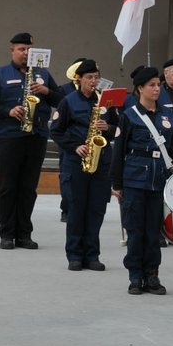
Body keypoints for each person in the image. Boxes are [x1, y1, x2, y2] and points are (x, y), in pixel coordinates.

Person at [110, 65, 173, 294]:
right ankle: (135, 277)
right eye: (152, 85)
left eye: (158, 85)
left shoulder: (166, 116)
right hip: (134, 180)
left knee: (153, 232)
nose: (157, 89)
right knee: (135, 231)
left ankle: (152, 276)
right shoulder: (129, 116)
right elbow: (119, 152)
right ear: (140, 89)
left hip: (159, 182)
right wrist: (116, 183)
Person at [0, 32, 59, 251]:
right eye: (21, 49)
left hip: (36, 136)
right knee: (8, 187)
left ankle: (24, 234)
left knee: (28, 188)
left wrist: (46, 91)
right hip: (8, 137)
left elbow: (61, 99)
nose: (25, 53)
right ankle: (7, 234)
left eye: (29, 50)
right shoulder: (0, 73)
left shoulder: (42, 74)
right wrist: (8, 110)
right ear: (12, 51)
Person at [52, 59, 115, 272]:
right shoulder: (68, 101)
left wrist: (108, 127)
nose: (94, 81)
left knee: (96, 210)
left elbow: (118, 128)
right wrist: (74, 146)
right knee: (77, 209)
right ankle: (75, 255)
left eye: (96, 77)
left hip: (101, 162)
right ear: (79, 79)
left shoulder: (105, 101)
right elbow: (56, 130)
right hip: (76, 162)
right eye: (89, 78)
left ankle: (92, 255)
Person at [53, 58, 84, 225]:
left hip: (88, 143)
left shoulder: (97, 93)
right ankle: (66, 208)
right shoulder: (64, 90)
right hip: (68, 141)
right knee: (67, 178)